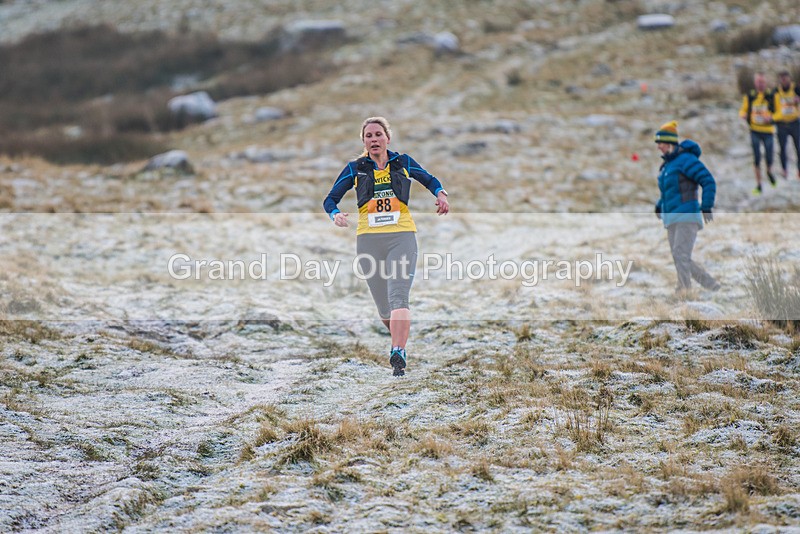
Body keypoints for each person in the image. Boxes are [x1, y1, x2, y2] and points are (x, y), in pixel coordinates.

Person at [323, 117, 449, 376]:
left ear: (387, 138)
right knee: (384, 308)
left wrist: (441, 194)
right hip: (369, 241)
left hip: (401, 236)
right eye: (368, 136)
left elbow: (429, 179)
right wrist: (335, 214)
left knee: (399, 297)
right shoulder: (354, 168)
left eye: (378, 134)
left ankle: (398, 351)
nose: (374, 139)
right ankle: (397, 341)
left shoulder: (403, 162)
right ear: (364, 141)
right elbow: (330, 198)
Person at [653, 120, 720, 294]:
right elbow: (669, 191)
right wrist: (660, 205)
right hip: (672, 217)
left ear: (669, 143)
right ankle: (711, 285)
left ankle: (684, 291)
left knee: (681, 255)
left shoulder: (686, 160)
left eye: (660, 143)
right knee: (680, 257)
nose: (658, 147)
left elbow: (708, 181)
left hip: (687, 215)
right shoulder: (668, 165)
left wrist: (706, 206)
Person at [739, 72, 776, 195]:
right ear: (755, 83)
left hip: (768, 131)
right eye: (758, 82)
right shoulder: (750, 96)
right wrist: (743, 115)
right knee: (757, 157)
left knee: (769, 156)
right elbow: (742, 110)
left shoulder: (771, 95)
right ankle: (759, 184)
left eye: (762, 82)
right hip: (754, 130)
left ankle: (769, 172)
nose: (761, 84)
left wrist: (771, 117)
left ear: (765, 83)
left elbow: (779, 110)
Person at [773, 69, 800, 180]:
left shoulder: (796, 89)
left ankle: (799, 171)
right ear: (780, 80)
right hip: (781, 124)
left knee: (798, 148)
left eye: (785, 78)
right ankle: (784, 170)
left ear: (789, 78)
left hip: (794, 122)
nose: (784, 81)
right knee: (782, 149)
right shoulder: (776, 91)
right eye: (782, 79)